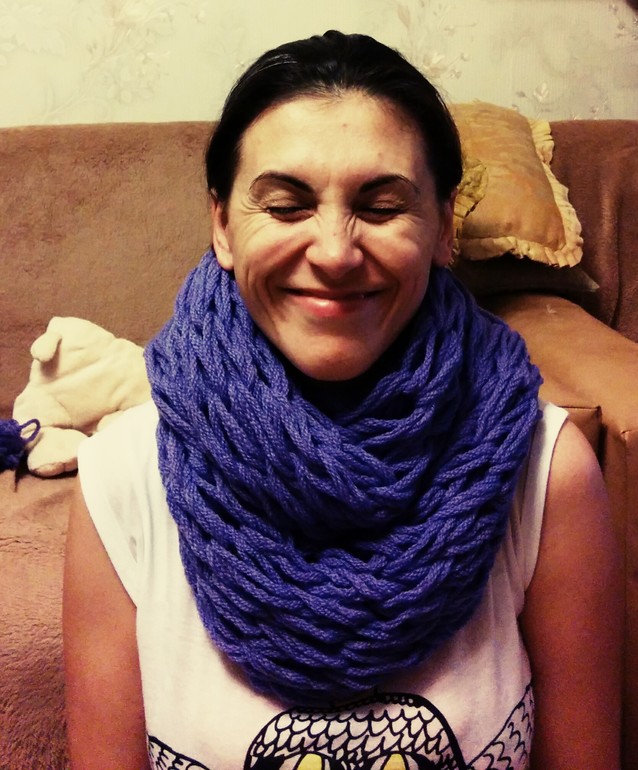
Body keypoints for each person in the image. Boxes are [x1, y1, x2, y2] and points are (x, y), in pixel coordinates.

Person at [63, 30, 621, 770]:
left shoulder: (547, 473)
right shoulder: (120, 480)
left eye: (382, 206)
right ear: (222, 226)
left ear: (443, 228)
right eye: (285, 206)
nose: (333, 252)